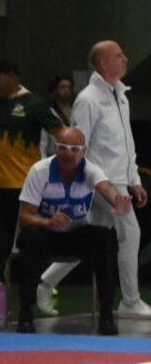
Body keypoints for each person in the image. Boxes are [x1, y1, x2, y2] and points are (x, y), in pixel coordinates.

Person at [37, 41, 151, 319]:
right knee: (130, 233)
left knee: (91, 237)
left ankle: (44, 283)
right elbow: (76, 145)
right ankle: (130, 301)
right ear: (103, 64)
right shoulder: (88, 99)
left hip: (120, 180)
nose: (126, 59)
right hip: (101, 181)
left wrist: (134, 178)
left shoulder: (120, 95)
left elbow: (127, 143)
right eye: (119, 55)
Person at [15, 127, 130, 334]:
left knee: (105, 238)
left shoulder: (90, 170)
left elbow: (105, 186)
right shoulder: (40, 171)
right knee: (30, 238)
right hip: (46, 233)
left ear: (83, 151)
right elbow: (25, 217)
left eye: (75, 149)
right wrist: (48, 222)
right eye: (63, 148)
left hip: (77, 233)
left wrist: (117, 200)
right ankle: (26, 314)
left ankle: (106, 316)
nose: (69, 153)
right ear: (56, 149)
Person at [0, 60, 63, 285]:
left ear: (12, 77)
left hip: (25, 186)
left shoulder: (33, 104)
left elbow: (59, 131)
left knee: (30, 238)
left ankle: (33, 282)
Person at [40, 75, 74, 158]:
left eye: (69, 87)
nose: (66, 90)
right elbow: (42, 144)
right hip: (54, 156)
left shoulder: (77, 110)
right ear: (55, 90)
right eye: (62, 87)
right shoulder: (49, 113)